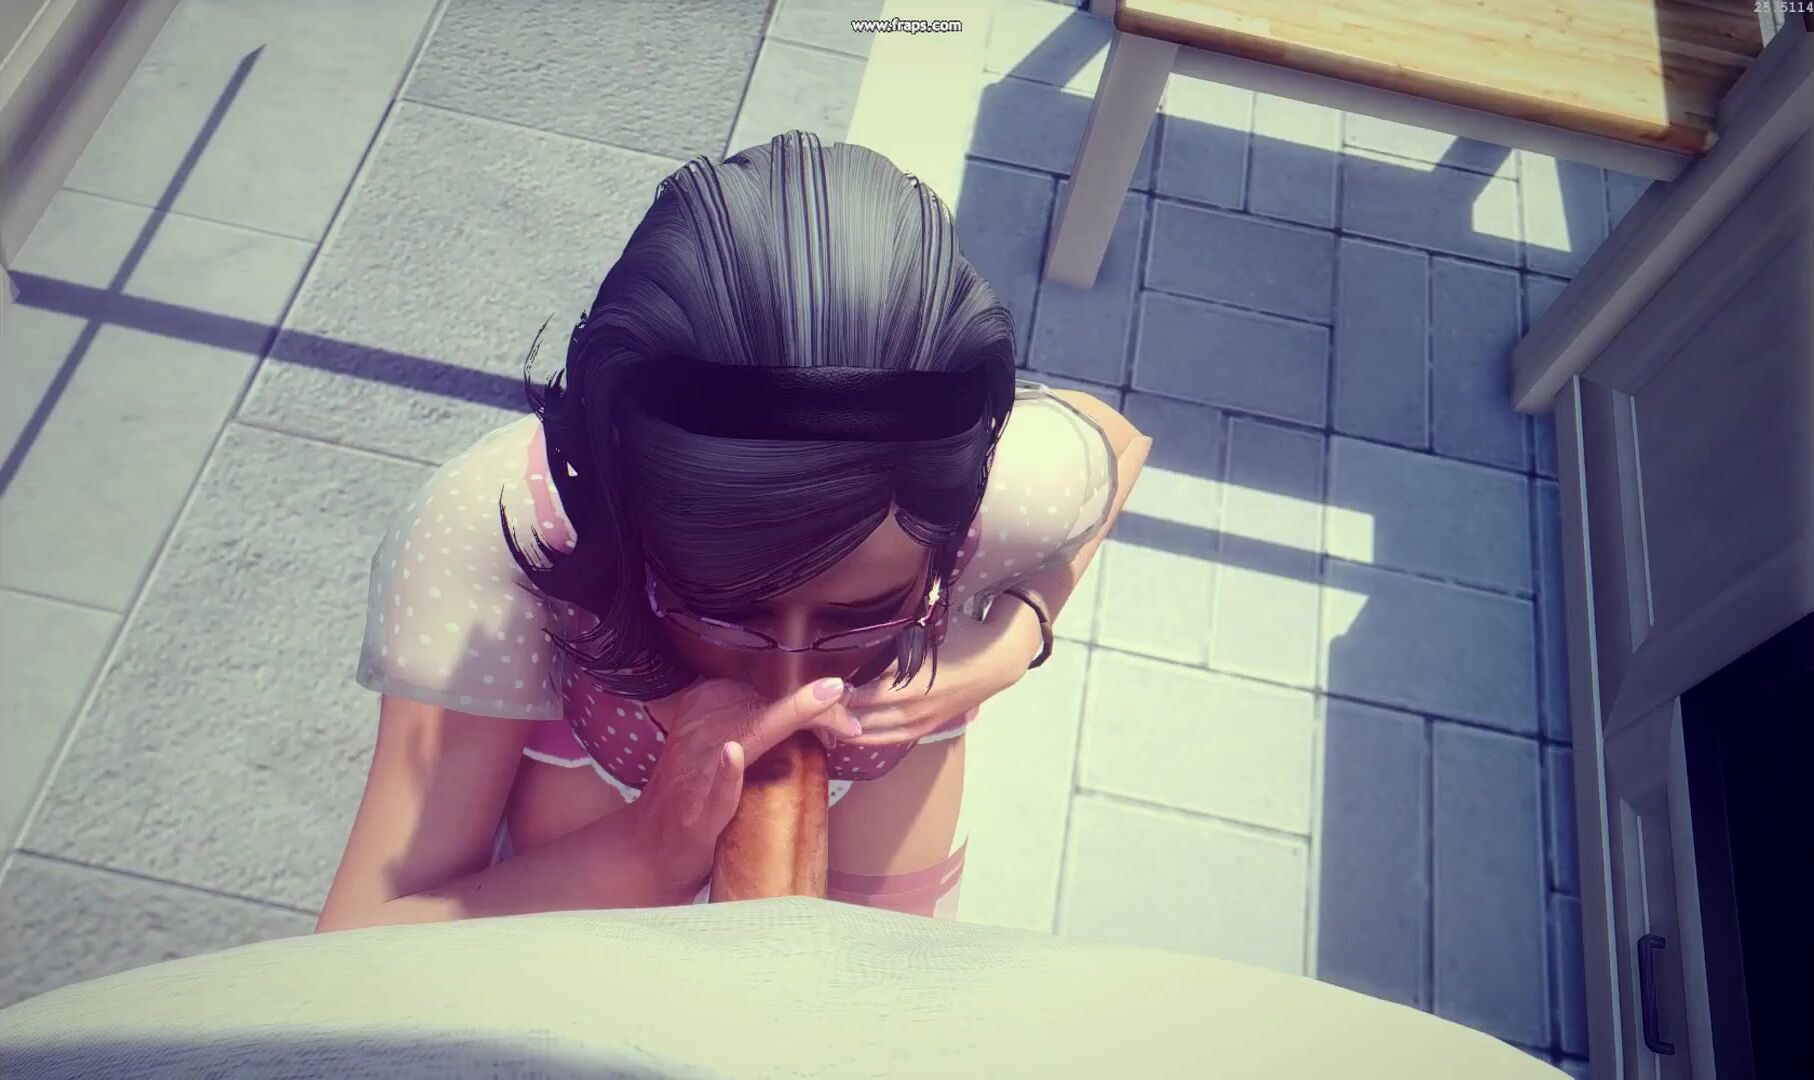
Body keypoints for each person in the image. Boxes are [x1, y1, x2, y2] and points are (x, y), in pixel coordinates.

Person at [315, 131, 1151, 932]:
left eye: (862, 613)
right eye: (722, 611)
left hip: (880, 806)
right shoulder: (499, 536)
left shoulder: (989, 488)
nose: (792, 685)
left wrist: (1015, 634)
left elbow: (1117, 445)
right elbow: (359, 950)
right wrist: (647, 852)